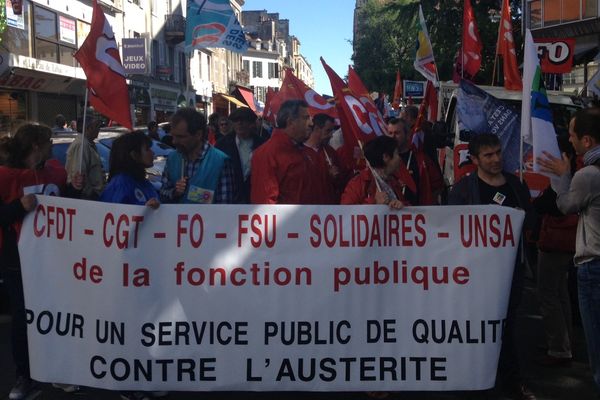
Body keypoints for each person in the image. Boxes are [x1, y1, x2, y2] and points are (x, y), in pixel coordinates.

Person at [448, 133, 535, 400]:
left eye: (498, 152)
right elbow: (451, 230)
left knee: (505, 327)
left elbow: (529, 223)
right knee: (475, 327)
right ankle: (471, 378)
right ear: (474, 159)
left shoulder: (516, 186)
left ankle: (511, 382)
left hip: (510, 274)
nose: (496, 159)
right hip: (473, 275)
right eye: (488, 155)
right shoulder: (463, 190)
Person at [0, 123, 82, 400]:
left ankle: (57, 370)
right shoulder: (4, 176)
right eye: (48, 141)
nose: (52, 145)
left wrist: (74, 189)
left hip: (54, 259)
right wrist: (16, 207)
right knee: (23, 319)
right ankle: (25, 376)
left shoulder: (56, 172)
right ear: (36, 145)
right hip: (18, 261)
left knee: (57, 315)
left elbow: (68, 209)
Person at [538, 107, 600, 393]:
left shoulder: (587, 175)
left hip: (594, 265)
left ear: (587, 141)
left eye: (573, 135)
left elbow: (565, 206)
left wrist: (562, 176)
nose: (569, 140)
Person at [533, 135, 577, 367]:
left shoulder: (564, 177)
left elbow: (556, 205)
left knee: (549, 294)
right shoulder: (568, 174)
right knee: (559, 294)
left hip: (556, 242)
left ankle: (559, 348)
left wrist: (532, 204)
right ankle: (563, 341)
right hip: (563, 242)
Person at [159, 107, 234, 204]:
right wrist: (175, 192)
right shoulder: (172, 158)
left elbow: (225, 206)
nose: (174, 141)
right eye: (173, 136)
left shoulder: (221, 162)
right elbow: (163, 193)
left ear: (198, 134)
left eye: (181, 137)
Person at [250, 99, 315, 204]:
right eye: (306, 118)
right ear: (290, 122)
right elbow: (264, 204)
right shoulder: (267, 154)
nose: (311, 123)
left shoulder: (303, 150)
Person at [387, 117, 443, 205]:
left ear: (407, 135)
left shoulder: (421, 159)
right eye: (390, 133)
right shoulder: (383, 160)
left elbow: (437, 185)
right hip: (391, 215)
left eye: (397, 133)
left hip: (418, 214)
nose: (393, 137)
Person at [215, 107, 265, 203]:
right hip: (230, 199)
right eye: (236, 121)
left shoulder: (262, 144)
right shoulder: (222, 144)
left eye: (243, 120)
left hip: (255, 199)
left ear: (251, 123)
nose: (239, 124)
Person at [341, 135, 405, 209]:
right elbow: (346, 214)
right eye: (396, 154)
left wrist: (401, 205)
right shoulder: (358, 183)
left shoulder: (393, 182)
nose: (400, 159)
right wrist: (374, 202)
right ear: (386, 157)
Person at [100, 130, 160, 208]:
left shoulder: (142, 180)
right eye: (147, 149)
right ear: (134, 155)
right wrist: (143, 208)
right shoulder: (121, 183)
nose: (152, 153)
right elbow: (115, 212)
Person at [304, 113, 351, 204]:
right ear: (317, 129)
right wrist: (326, 175)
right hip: (308, 209)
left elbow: (342, 182)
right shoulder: (300, 152)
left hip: (329, 208)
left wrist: (337, 177)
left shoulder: (330, 152)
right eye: (328, 131)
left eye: (332, 131)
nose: (331, 135)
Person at [65, 116, 105, 200]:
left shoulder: (88, 144)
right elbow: (79, 175)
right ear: (88, 128)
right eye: (97, 126)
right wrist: (92, 194)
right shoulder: (81, 145)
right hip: (88, 199)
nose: (99, 129)